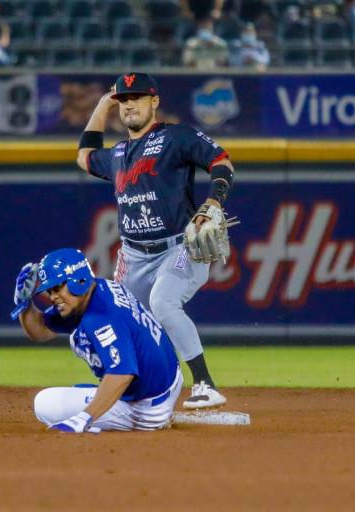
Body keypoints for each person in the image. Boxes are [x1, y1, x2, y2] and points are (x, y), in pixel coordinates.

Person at [75, 72, 235, 409]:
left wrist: (214, 201)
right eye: (123, 98)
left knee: (163, 302)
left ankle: (205, 384)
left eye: (137, 96)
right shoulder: (118, 153)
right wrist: (104, 104)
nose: (129, 103)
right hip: (133, 256)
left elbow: (221, 161)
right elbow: (84, 156)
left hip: (178, 247)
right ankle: (133, 392)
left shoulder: (176, 137)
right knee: (121, 321)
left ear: (154, 101)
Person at [13, 248, 183, 433]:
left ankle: (132, 414)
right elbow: (40, 331)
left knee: (45, 403)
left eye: (57, 288)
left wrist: (84, 417)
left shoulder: (100, 317)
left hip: (145, 409)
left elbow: (122, 373)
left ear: (78, 280)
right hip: (167, 381)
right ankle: (106, 399)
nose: (53, 297)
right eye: (49, 291)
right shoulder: (97, 291)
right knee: (83, 381)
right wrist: (25, 303)